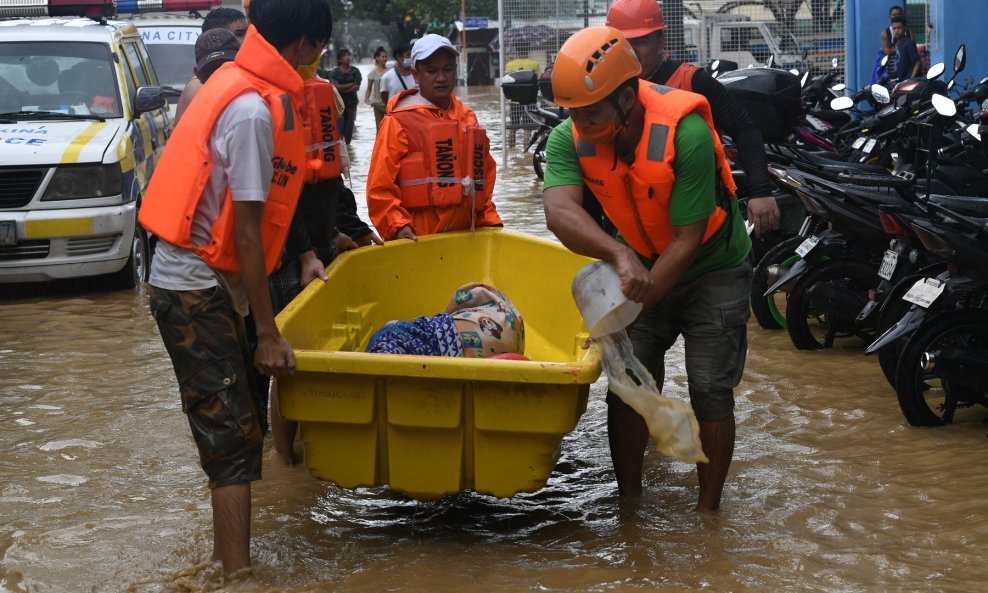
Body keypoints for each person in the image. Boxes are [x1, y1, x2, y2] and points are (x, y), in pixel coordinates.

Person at [138, 0, 332, 578]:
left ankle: (230, 560)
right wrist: (267, 334)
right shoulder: (250, 110)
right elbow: (247, 235)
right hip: (195, 287)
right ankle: (237, 578)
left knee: (236, 430)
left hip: (206, 283)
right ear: (300, 47)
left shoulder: (234, 82)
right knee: (232, 441)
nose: (316, 61)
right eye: (318, 49)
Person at [541, 26, 751, 511]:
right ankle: (630, 509)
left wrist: (626, 308)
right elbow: (559, 212)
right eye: (572, 113)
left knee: (709, 388)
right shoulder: (568, 136)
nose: (581, 124)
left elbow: (687, 240)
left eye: (592, 113)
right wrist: (619, 257)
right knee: (627, 388)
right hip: (637, 260)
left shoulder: (688, 133)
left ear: (627, 97)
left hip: (712, 269)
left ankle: (709, 513)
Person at [268, 63, 382, 465]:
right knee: (290, 363)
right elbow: (283, 200)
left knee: (318, 353)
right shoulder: (279, 118)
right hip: (291, 259)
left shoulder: (323, 124)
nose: (332, 121)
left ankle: (311, 453)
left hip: (320, 250)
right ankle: (285, 460)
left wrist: (348, 233)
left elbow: (333, 189)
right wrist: (306, 252)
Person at [605, 0, 778, 238]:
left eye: (641, 42)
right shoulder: (605, 93)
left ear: (660, 41)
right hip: (638, 228)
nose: (631, 52)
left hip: (700, 224)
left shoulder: (692, 81)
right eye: (623, 44)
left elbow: (744, 128)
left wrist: (760, 191)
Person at [366, 34, 500, 241]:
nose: (441, 78)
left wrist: (492, 223)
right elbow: (379, 188)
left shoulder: (468, 118)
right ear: (416, 75)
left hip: (465, 237)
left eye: (448, 69)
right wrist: (397, 226)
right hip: (420, 240)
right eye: (431, 71)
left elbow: (484, 180)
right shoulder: (399, 121)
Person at [175, 7, 248, 122]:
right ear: (216, 36)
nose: (248, 38)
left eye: (248, 32)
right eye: (239, 34)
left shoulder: (235, 76)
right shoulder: (198, 88)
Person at [324, 48, 361, 144]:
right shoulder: (335, 72)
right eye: (345, 55)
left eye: (348, 55)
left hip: (351, 103)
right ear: (340, 59)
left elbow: (356, 87)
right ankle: (341, 147)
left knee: (349, 125)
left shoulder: (355, 71)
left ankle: (348, 147)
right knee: (339, 126)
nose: (348, 57)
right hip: (338, 103)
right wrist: (349, 85)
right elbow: (334, 87)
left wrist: (341, 88)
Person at [889, 15, 921, 81]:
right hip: (900, 83)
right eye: (894, 28)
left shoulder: (909, 43)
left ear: (905, 29)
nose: (896, 31)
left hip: (907, 84)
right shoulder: (898, 44)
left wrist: (911, 80)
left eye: (899, 28)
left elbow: (917, 62)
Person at [365, 46, 390, 130]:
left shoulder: (391, 72)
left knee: (388, 128)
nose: (385, 59)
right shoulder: (372, 73)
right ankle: (379, 143)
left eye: (386, 57)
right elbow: (369, 88)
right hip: (377, 104)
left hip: (389, 104)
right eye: (383, 57)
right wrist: (367, 99)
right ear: (377, 58)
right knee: (379, 128)